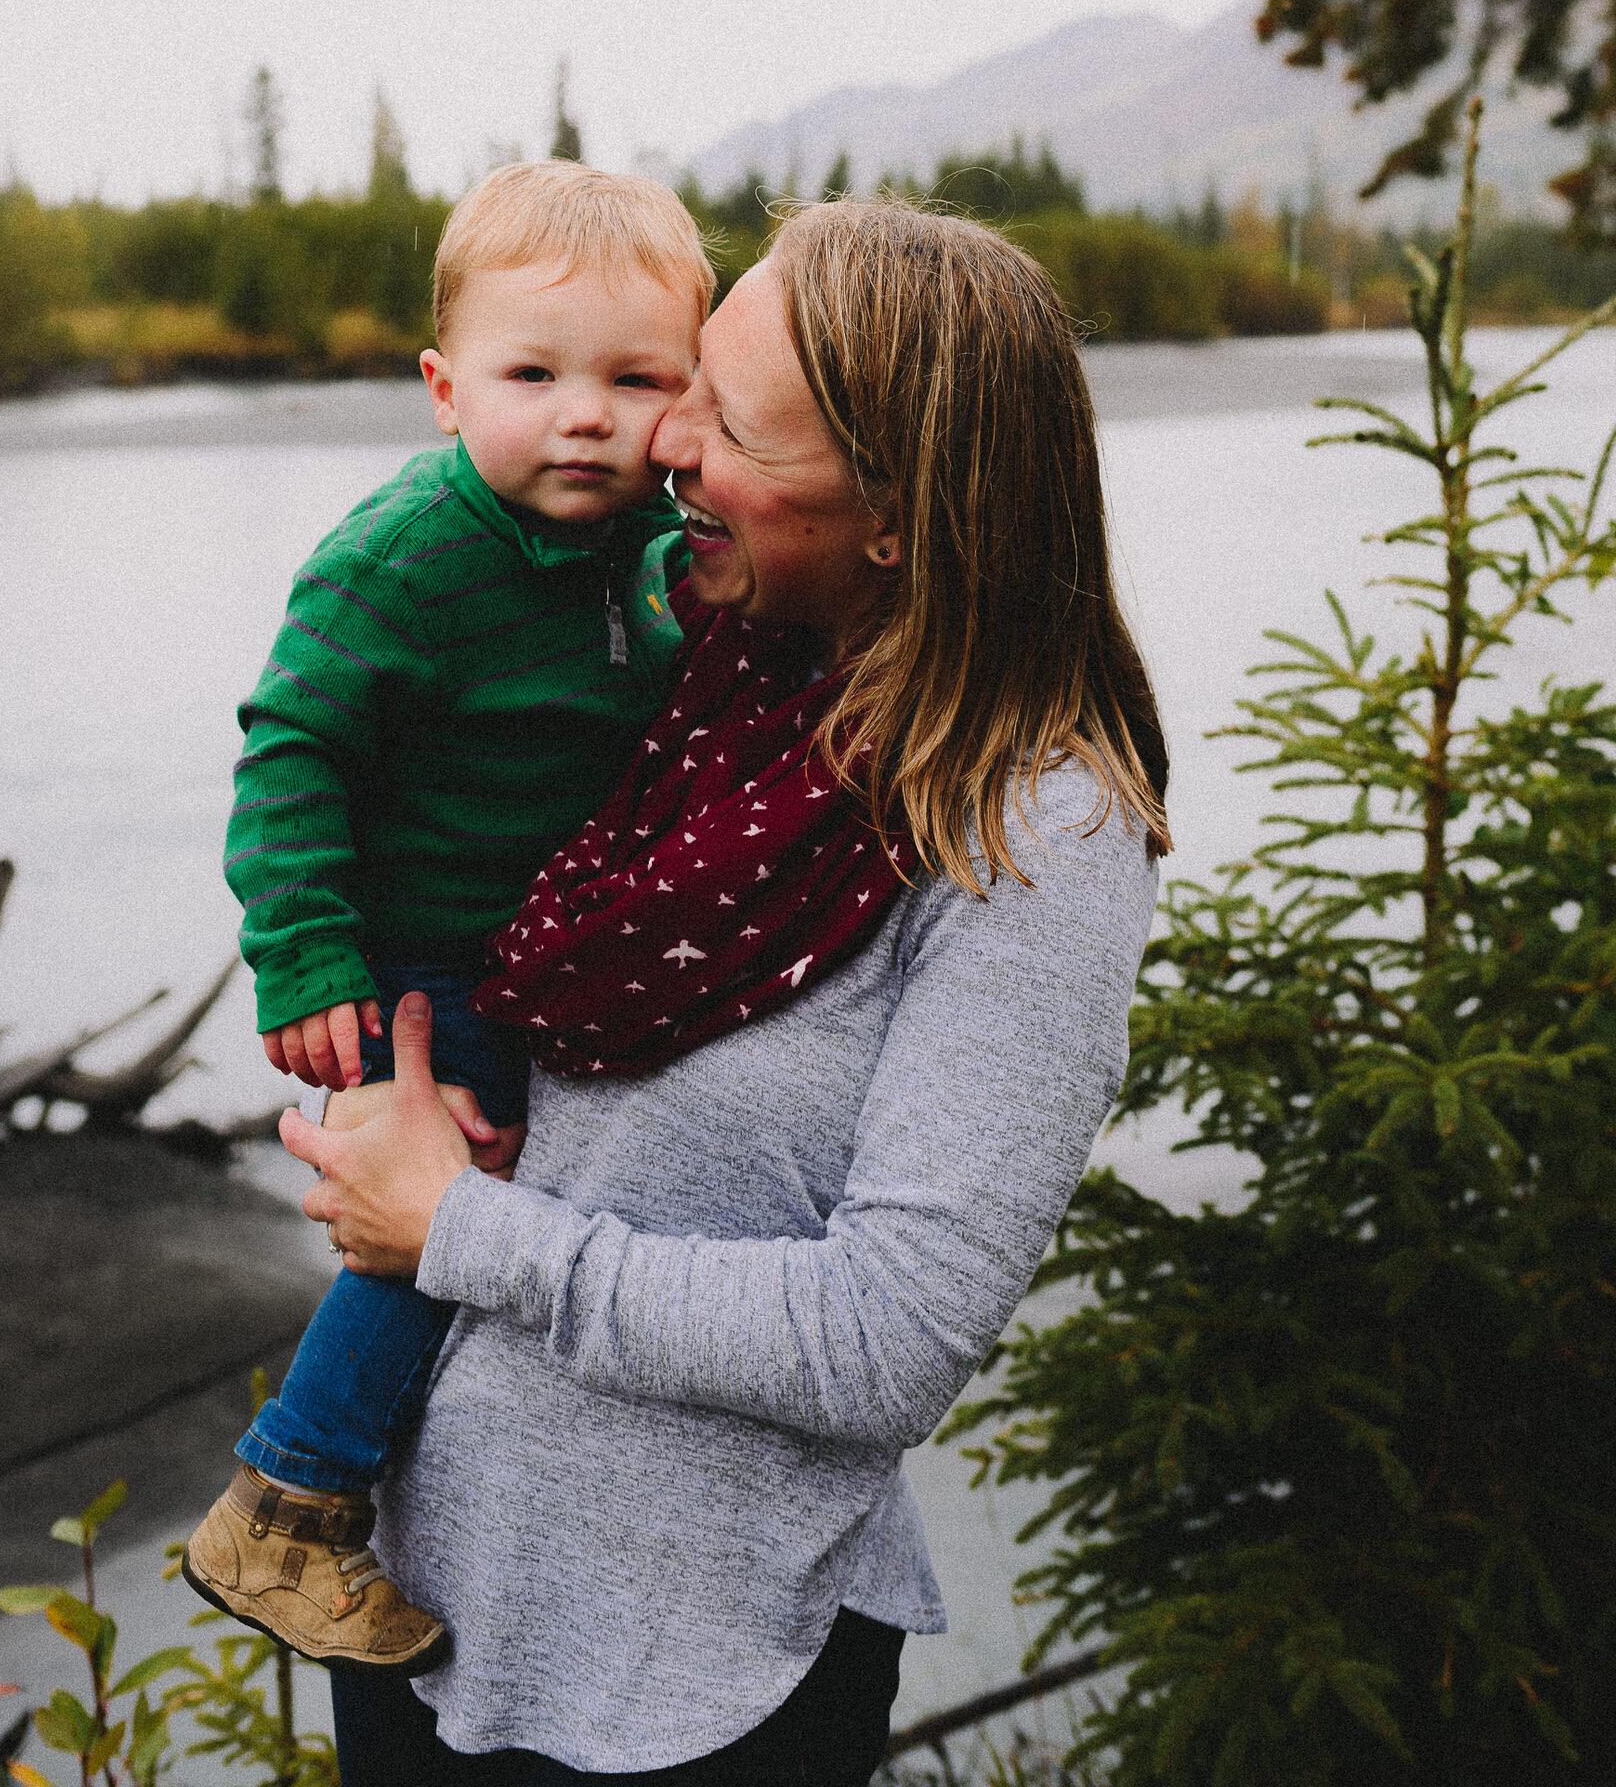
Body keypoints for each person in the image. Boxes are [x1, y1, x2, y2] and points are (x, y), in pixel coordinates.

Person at [282, 196, 1170, 1785]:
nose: (661, 444)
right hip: (431, 1613)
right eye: (676, 381)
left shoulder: (1033, 826)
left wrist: (460, 1226)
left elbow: (886, 1338)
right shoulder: (694, 679)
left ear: (895, 513)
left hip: (697, 1674)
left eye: (723, 417)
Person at [184, 161, 712, 1670]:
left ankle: (464, 1495)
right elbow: (290, 754)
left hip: (540, 960)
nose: (586, 414)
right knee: (439, 1217)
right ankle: (291, 1499)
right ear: (442, 387)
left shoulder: (652, 545)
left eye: (636, 377)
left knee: (522, 1218)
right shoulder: (401, 561)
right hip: (421, 975)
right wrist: (306, 957)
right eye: (532, 374)